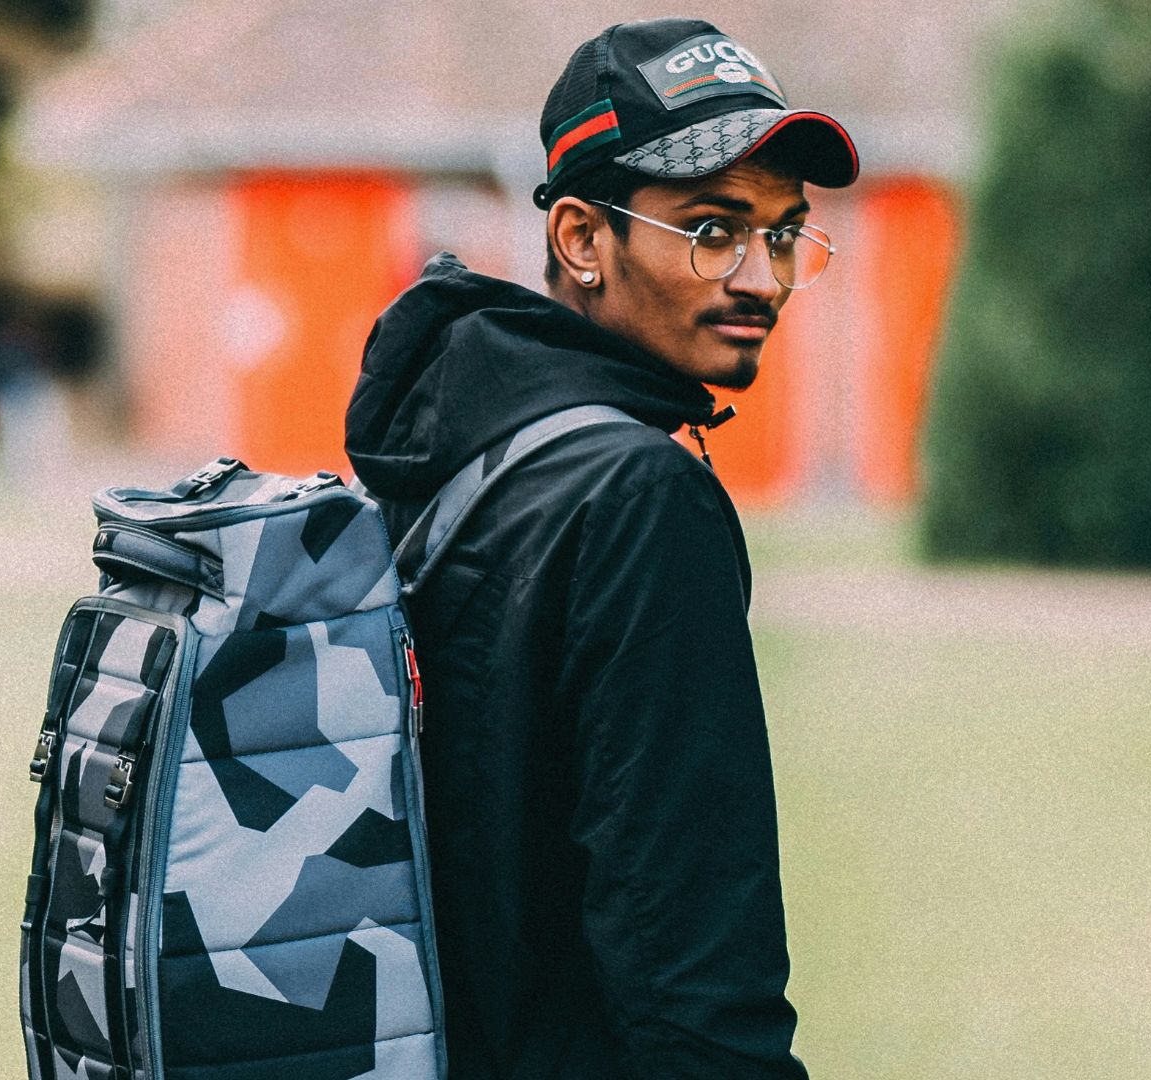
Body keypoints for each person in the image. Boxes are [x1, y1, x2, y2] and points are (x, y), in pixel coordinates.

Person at [344, 17, 859, 1080]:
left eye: (783, 235)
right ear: (582, 239)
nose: (761, 278)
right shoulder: (639, 496)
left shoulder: (461, 444)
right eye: (713, 229)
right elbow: (689, 960)